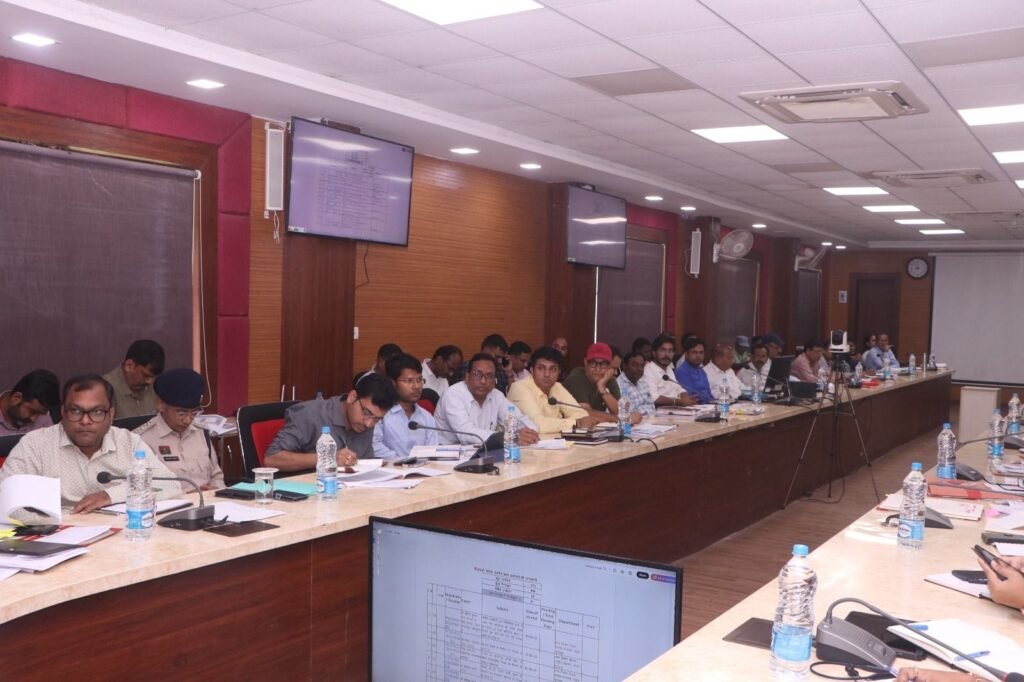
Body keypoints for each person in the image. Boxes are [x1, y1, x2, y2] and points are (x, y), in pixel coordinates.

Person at [0, 374, 181, 514]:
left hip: (120, 538)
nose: (85, 421)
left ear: (111, 415)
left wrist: (109, 496)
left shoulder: (128, 442)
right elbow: (4, 495)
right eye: (75, 411)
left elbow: (171, 485)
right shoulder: (35, 445)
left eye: (97, 412)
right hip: (57, 536)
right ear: (63, 412)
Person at [265, 373, 398, 472]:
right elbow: (271, 459)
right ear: (352, 397)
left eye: (377, 419)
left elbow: (364, 464)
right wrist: (328, 458)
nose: (368, 424)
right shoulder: (310, 414)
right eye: (366, 412)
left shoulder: (367, 422)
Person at [134, 368, 224, 490]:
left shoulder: (201, 432)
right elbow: (140, 488)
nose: (188, 420)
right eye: (181, 413)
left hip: (209, 500)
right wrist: (184, 496)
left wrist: (215, 490)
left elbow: (217, 476)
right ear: (161, 404)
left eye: (194, 413)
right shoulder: (141, 440)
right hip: (173, 502)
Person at [434, 353, 538, 446]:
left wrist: (530, 433)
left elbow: (520, 419)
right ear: (467, 376)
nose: (483, 381)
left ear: (494, 380)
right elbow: (466, 433)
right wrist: (509, 437)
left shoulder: (496, 395)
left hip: (481, 452)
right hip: (446, 453)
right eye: (478, 374)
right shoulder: (453, 395)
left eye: (489, 376)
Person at [508, 347, 597, 434]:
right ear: (532, 370)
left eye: (553, 369)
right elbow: (537, 425)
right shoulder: (519, 388)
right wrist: (575, 423)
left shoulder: (557, 386)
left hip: (553, 442)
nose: (547, 374)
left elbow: (581, 415)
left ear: (559, 372)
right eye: (541, 368)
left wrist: (579, 421)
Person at [373, 353, 438, 460]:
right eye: (409, 381)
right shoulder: (380, 414)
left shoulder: (426, 417)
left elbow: (432, 450)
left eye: (419, 380)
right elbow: (374, 445)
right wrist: (402, 461)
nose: (416, 386)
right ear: (393, 383)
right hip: (390, 468)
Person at [102, 339, 164, 418]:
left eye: (153, 377)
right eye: (145, 375)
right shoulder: (104, 388)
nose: (149, 381)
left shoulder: (157, 384)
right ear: (129, 365)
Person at [563, 342, 624, 417]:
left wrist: (602, 388)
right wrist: (613, 418)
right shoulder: (576, 377)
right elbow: (586, 413)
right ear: (585, 362)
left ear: (609, 366)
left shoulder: (608, 378)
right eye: (593, 363)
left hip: (597, 423)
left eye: (603, 364)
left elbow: (620, 412)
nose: (598, 369)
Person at [642, 333, 696, 408]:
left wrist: (685, 398)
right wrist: (679, 402)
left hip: (676, 409)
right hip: (660, 412)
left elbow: (679, 388)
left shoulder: (668, 369)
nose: (667, 354)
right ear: (654, 353)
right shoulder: (648, 370)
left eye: (670, 351)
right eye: (662, 350)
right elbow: (653, 398)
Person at [0, 369, 59, 435]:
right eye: (32, 411)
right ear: (16, 398)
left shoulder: (44, 419)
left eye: (40, 414)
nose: (34, 419)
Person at [616, 351, 656, 418]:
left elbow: (652, 408)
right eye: (635, 365)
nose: (639, 369)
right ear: (624, 366)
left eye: (642, 366)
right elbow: (626, 414)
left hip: (654, 420)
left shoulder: (644, 383)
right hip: (636, 422)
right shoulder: (619, 385)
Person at [675, 337, 713, 404]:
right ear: (686, 354)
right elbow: (692, 397)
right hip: (696, 407)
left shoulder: (702, 371)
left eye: (701, 352)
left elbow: (709, 394)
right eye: (694, 352)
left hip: (708, 406)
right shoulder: (681, 372)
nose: (698, 355)